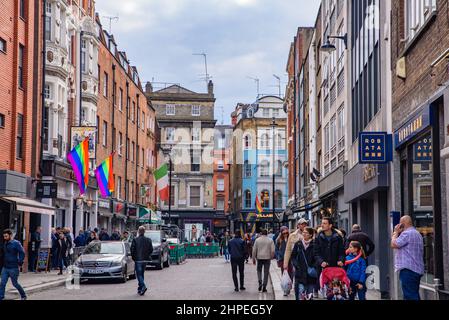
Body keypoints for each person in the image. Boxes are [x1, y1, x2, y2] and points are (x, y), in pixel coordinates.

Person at [391, 215, 424, 300]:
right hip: (417, 269)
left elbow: (394, 244)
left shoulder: (407, 234)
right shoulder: (417, 233)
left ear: (402, 224)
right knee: (413, 293)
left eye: (400, 223)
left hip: (408, 270)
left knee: (410, 295)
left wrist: (395, 232)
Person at [0, 229, 27, 300]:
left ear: (10, 235)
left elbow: (22, 253)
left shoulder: (16, 243)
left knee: (15, 284)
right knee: (2, 283)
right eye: (4, 236)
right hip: (5, 267)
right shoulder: (5, 243)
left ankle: (23, 296)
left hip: (13, 268)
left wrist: (20, 262)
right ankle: (1, 297)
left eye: (6, 236)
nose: (4, 238)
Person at [291, 227, 316, 300]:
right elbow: (293, 256)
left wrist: (314, 266)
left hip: (310, 274)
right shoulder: (298, 244)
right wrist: (296, 265)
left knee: (309, 295)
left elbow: (317, 257)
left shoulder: (314, 245)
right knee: (300, 294)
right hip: (300, 273)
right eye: (303, 232)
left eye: (306, 233)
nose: (304, 234)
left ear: (311, 235)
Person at [131, 226, 153, 296]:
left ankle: (143, 286)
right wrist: (147, 255)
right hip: (145, 259)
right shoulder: (148, 240)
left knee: (139, 274)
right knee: (141, 273)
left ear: (138, 231)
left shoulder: (135, 240)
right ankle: (140, 288)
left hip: (138, 259)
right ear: (144, 232)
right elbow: (151, 249)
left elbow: (132, 249)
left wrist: (133, 257)